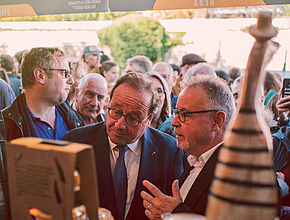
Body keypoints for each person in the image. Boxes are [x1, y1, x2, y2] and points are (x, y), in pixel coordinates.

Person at [63, 72, 183, 220]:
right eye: (115, 111)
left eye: (133, 118)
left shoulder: (169, 151)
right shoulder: (76, 141)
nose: (119, 124)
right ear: (108, 104)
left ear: (149, 119)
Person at [140, 75, 235, 218]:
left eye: (184, 114)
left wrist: (175, 214)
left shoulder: (239, 171)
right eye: (176, 113)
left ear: (217, 120)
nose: (174, 122)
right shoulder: (194, 160)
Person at [0, 47, 83, 141]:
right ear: (40, 76)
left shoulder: (74, 119)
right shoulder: (5, 127)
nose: (71, 80)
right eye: (64, 73)